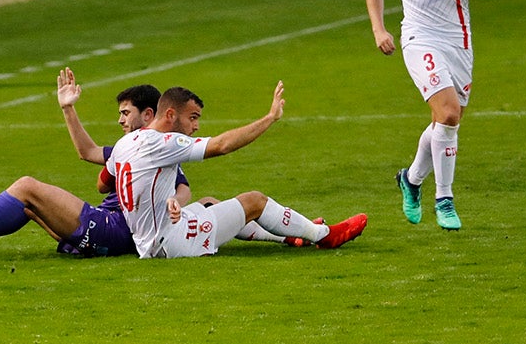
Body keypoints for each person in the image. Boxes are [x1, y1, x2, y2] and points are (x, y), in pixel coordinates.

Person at [0, 72, 300, 260]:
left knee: (27, 187)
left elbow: (180, 187)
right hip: (112, 223)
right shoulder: (131, 146)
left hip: (117, 230)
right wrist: (68, 109)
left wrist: (177, 203)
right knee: (29, 204)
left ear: (150, 114)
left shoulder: (162, 149)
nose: (120, 119)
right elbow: (87, 154)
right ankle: (287, 236)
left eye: (125, 112)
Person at [365, 0, 500, 231]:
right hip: (418, 39)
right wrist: (380, 29)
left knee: (446, 121)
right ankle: (444, 199)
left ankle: (410, 179)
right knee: (449, 114)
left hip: (458, 42)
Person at [109, 83, 368, 259]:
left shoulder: (125, 143)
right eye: (193, 117)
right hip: (170, 243)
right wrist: (269, 118)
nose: (196, 126)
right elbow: (221, 145)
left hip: (148, 239)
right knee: (254, 201)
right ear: (169, 114)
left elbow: (102, 174)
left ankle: (289, 237)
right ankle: (325, 236)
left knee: (209, 203)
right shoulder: (163, 143)